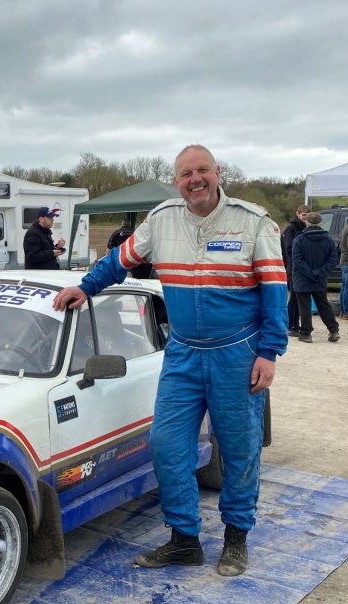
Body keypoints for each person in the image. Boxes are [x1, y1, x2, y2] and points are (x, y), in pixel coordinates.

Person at [52, 144, 287, 577]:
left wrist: (269, 353)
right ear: (176, 180)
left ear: (217, 173)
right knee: (166, 444)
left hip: (238, 353)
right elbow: (120, 261)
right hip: (183, 352)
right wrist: (86, 287)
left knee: (239, 449)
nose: (194, 180)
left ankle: (236, 539)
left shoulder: (253, 222)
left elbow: (275, 292)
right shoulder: (161, 220)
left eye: (202, 171)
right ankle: (184, 541)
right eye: (185, 174)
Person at [291, 212, 341, 343]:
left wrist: (309, 272)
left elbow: (297, 260)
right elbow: (333, 259)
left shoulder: (299, 239)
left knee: (304, 306)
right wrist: (320, 272)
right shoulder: (328, 239)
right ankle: (334, 330)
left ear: (306, 222)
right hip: (320, 277)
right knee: (323, 304)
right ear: (320, 223)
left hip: (302, 278)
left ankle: (306, 333)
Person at [280, 206, 311, 336]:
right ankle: (290, 325)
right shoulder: (291, 229)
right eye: (303, 215)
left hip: (301, 268)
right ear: (297, 214)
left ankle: (294, 324)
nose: (305, 217)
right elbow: (288, 250)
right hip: (293, 268)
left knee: (298, 297)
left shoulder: (304, 228)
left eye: (307, 215)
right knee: (294, 297)